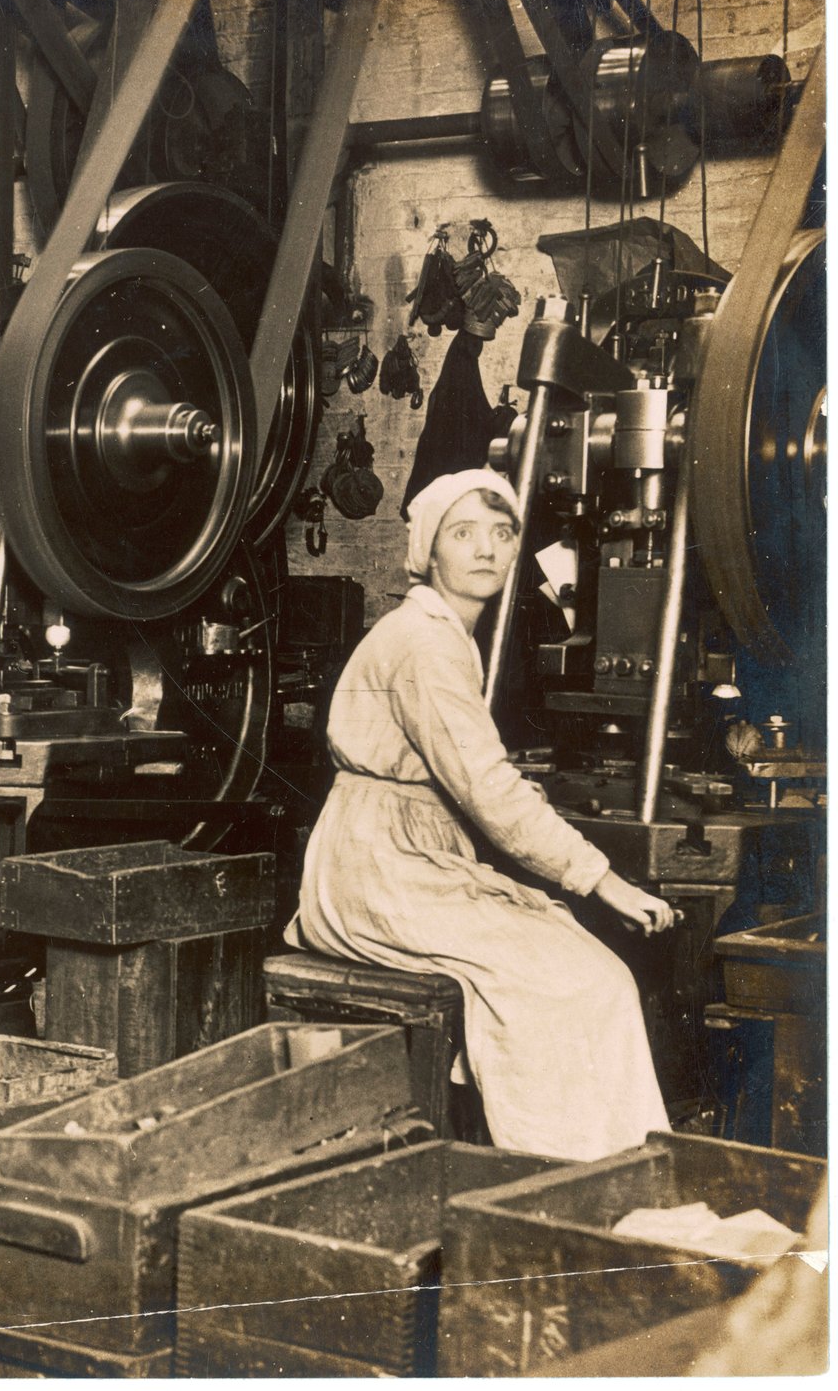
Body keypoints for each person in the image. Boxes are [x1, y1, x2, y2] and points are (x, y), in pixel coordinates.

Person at [284, 467, 675, 1162]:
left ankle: (599, 1170)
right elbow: (488, 789)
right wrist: (603, 879)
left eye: (502, 533)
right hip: (379, 871)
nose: (486, 550)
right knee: (586, 980)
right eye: (463, 534)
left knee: (577, 967)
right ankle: (566, 1180)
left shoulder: (439, 632)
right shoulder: (425, 641)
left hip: (401, 859)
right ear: (430, 551)